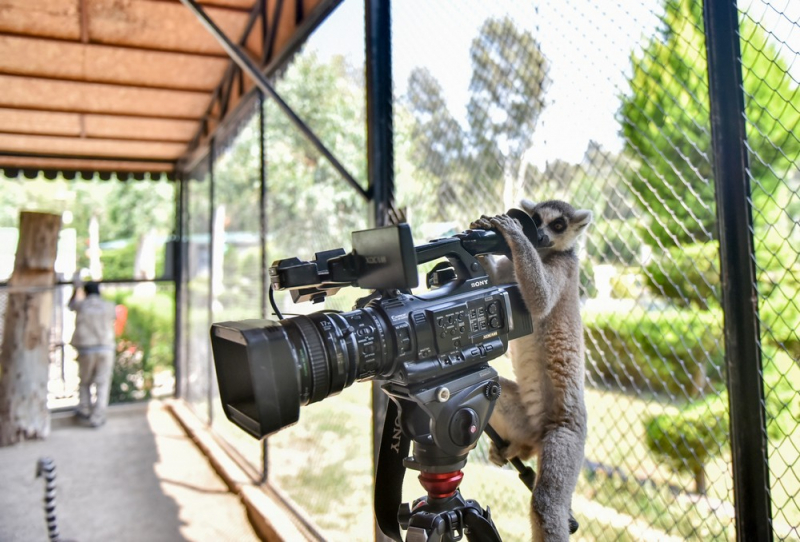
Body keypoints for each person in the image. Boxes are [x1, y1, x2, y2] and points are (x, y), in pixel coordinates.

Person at [68, 280, 116, 428]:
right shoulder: (108, 305)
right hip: (105, 348)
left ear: (86, 292)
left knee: (85, 381)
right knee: (102, 383)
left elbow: (70, 305)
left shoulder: (81, 305)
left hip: (86, 348)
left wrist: (75, 290)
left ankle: (85, 409)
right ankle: (98, 417)